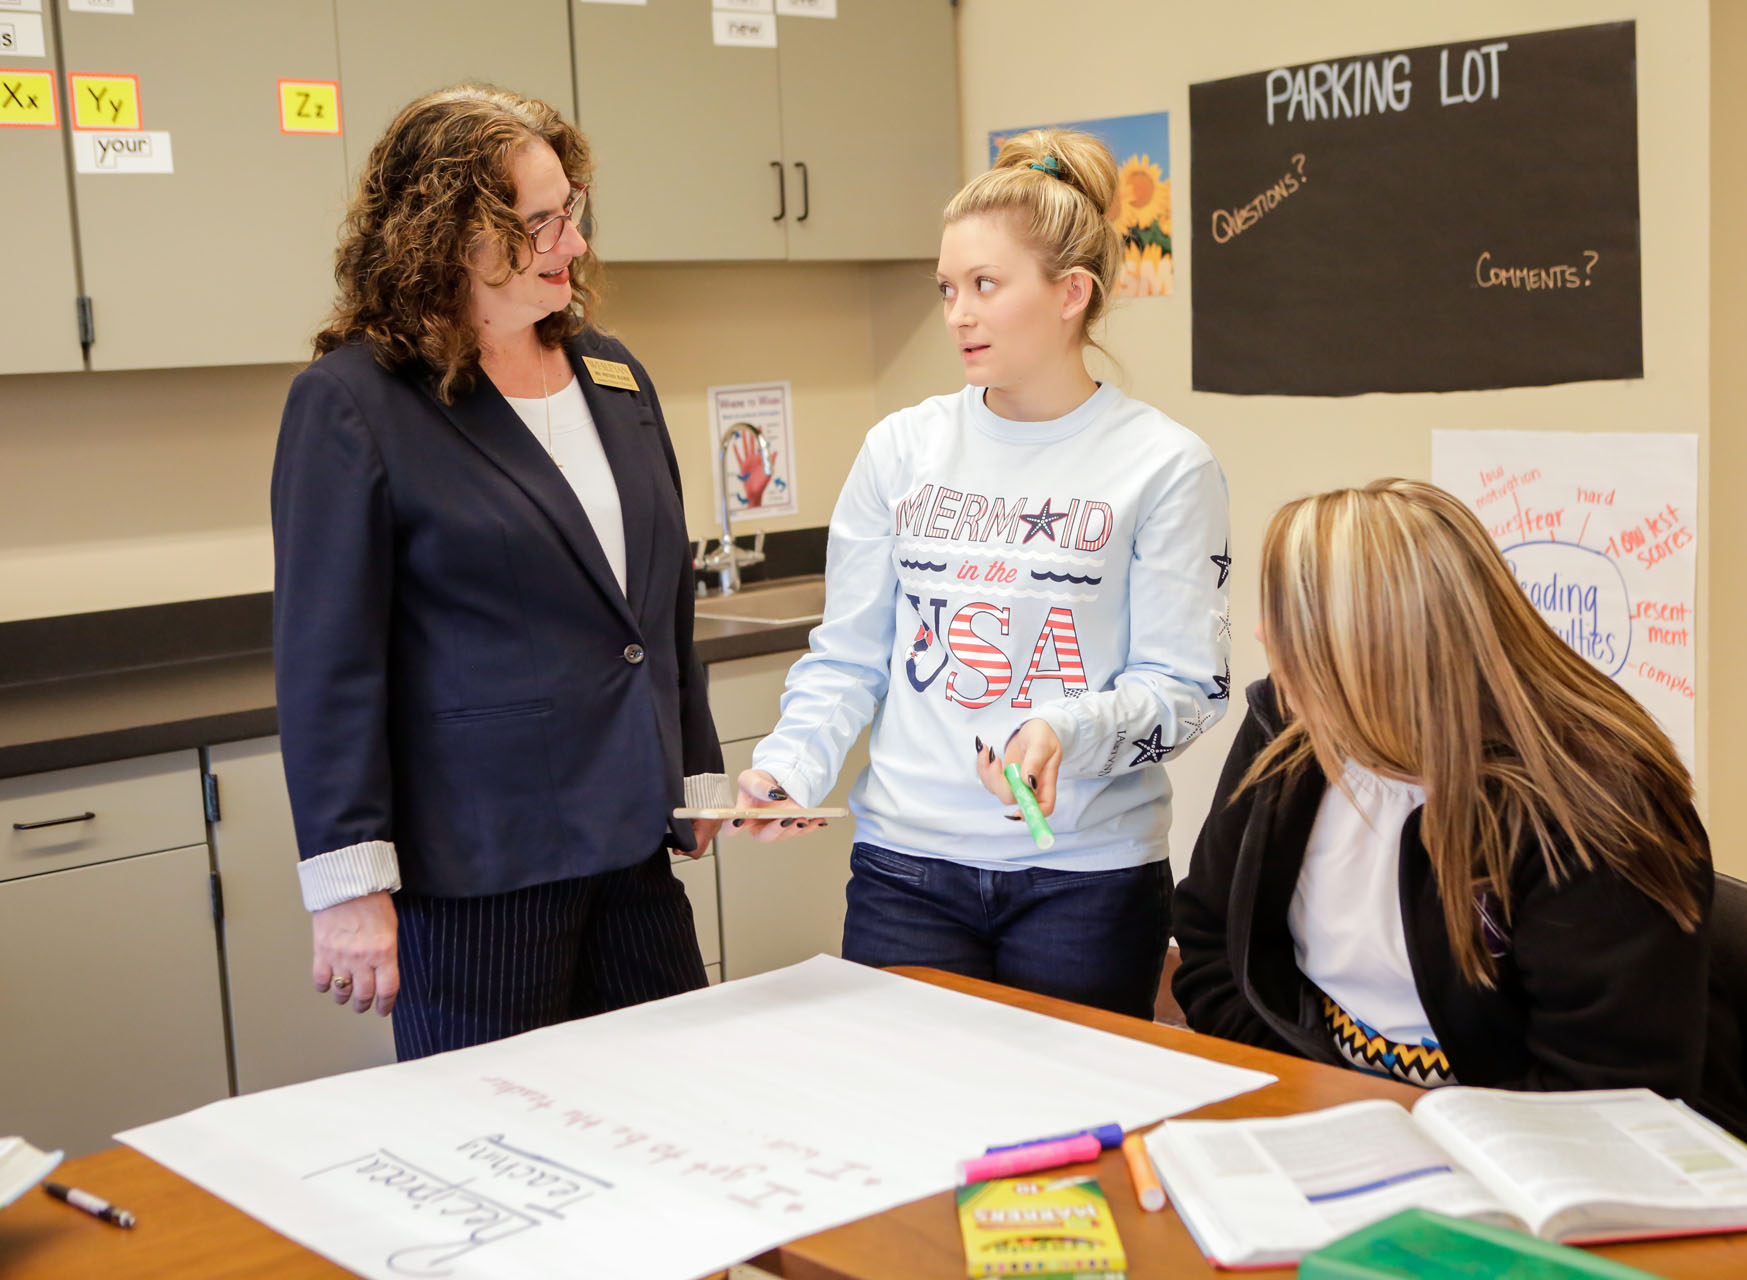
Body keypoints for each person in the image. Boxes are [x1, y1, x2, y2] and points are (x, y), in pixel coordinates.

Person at [271, 86, 729, 1059]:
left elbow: (662, 599)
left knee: (690, 1111)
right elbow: (329, 667)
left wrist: (694, 768)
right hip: (483, 870)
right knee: (507, 1156)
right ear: (446, 236)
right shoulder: (355, 402)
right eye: (542, 223)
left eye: (573, 211)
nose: (573, 243)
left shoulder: (612, 374)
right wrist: (349, 882)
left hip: (635, 848)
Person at [732, 129, 1232, 1020]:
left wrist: (1065, 731)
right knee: (907, 1129)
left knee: (1069, 1125)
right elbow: (848, 658)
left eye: (985, 286)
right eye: (948, 289)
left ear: (1071, 293)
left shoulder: (1164, 464)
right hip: (905, 874)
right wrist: (788, 768)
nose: (957, 314)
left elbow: (1187, 689)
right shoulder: (902, 449)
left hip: (1086, 880)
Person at [1171, 479, 1747, 1146]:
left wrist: (1407, 1136)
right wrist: (1314, 1098)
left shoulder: (1589, 806)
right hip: (1347, 1116)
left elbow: (1606, 1097)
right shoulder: (1289, 726)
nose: (1262, 633)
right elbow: (1213, 942)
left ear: (1375, 645)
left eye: (1288, 616)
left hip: (1552, 1153)